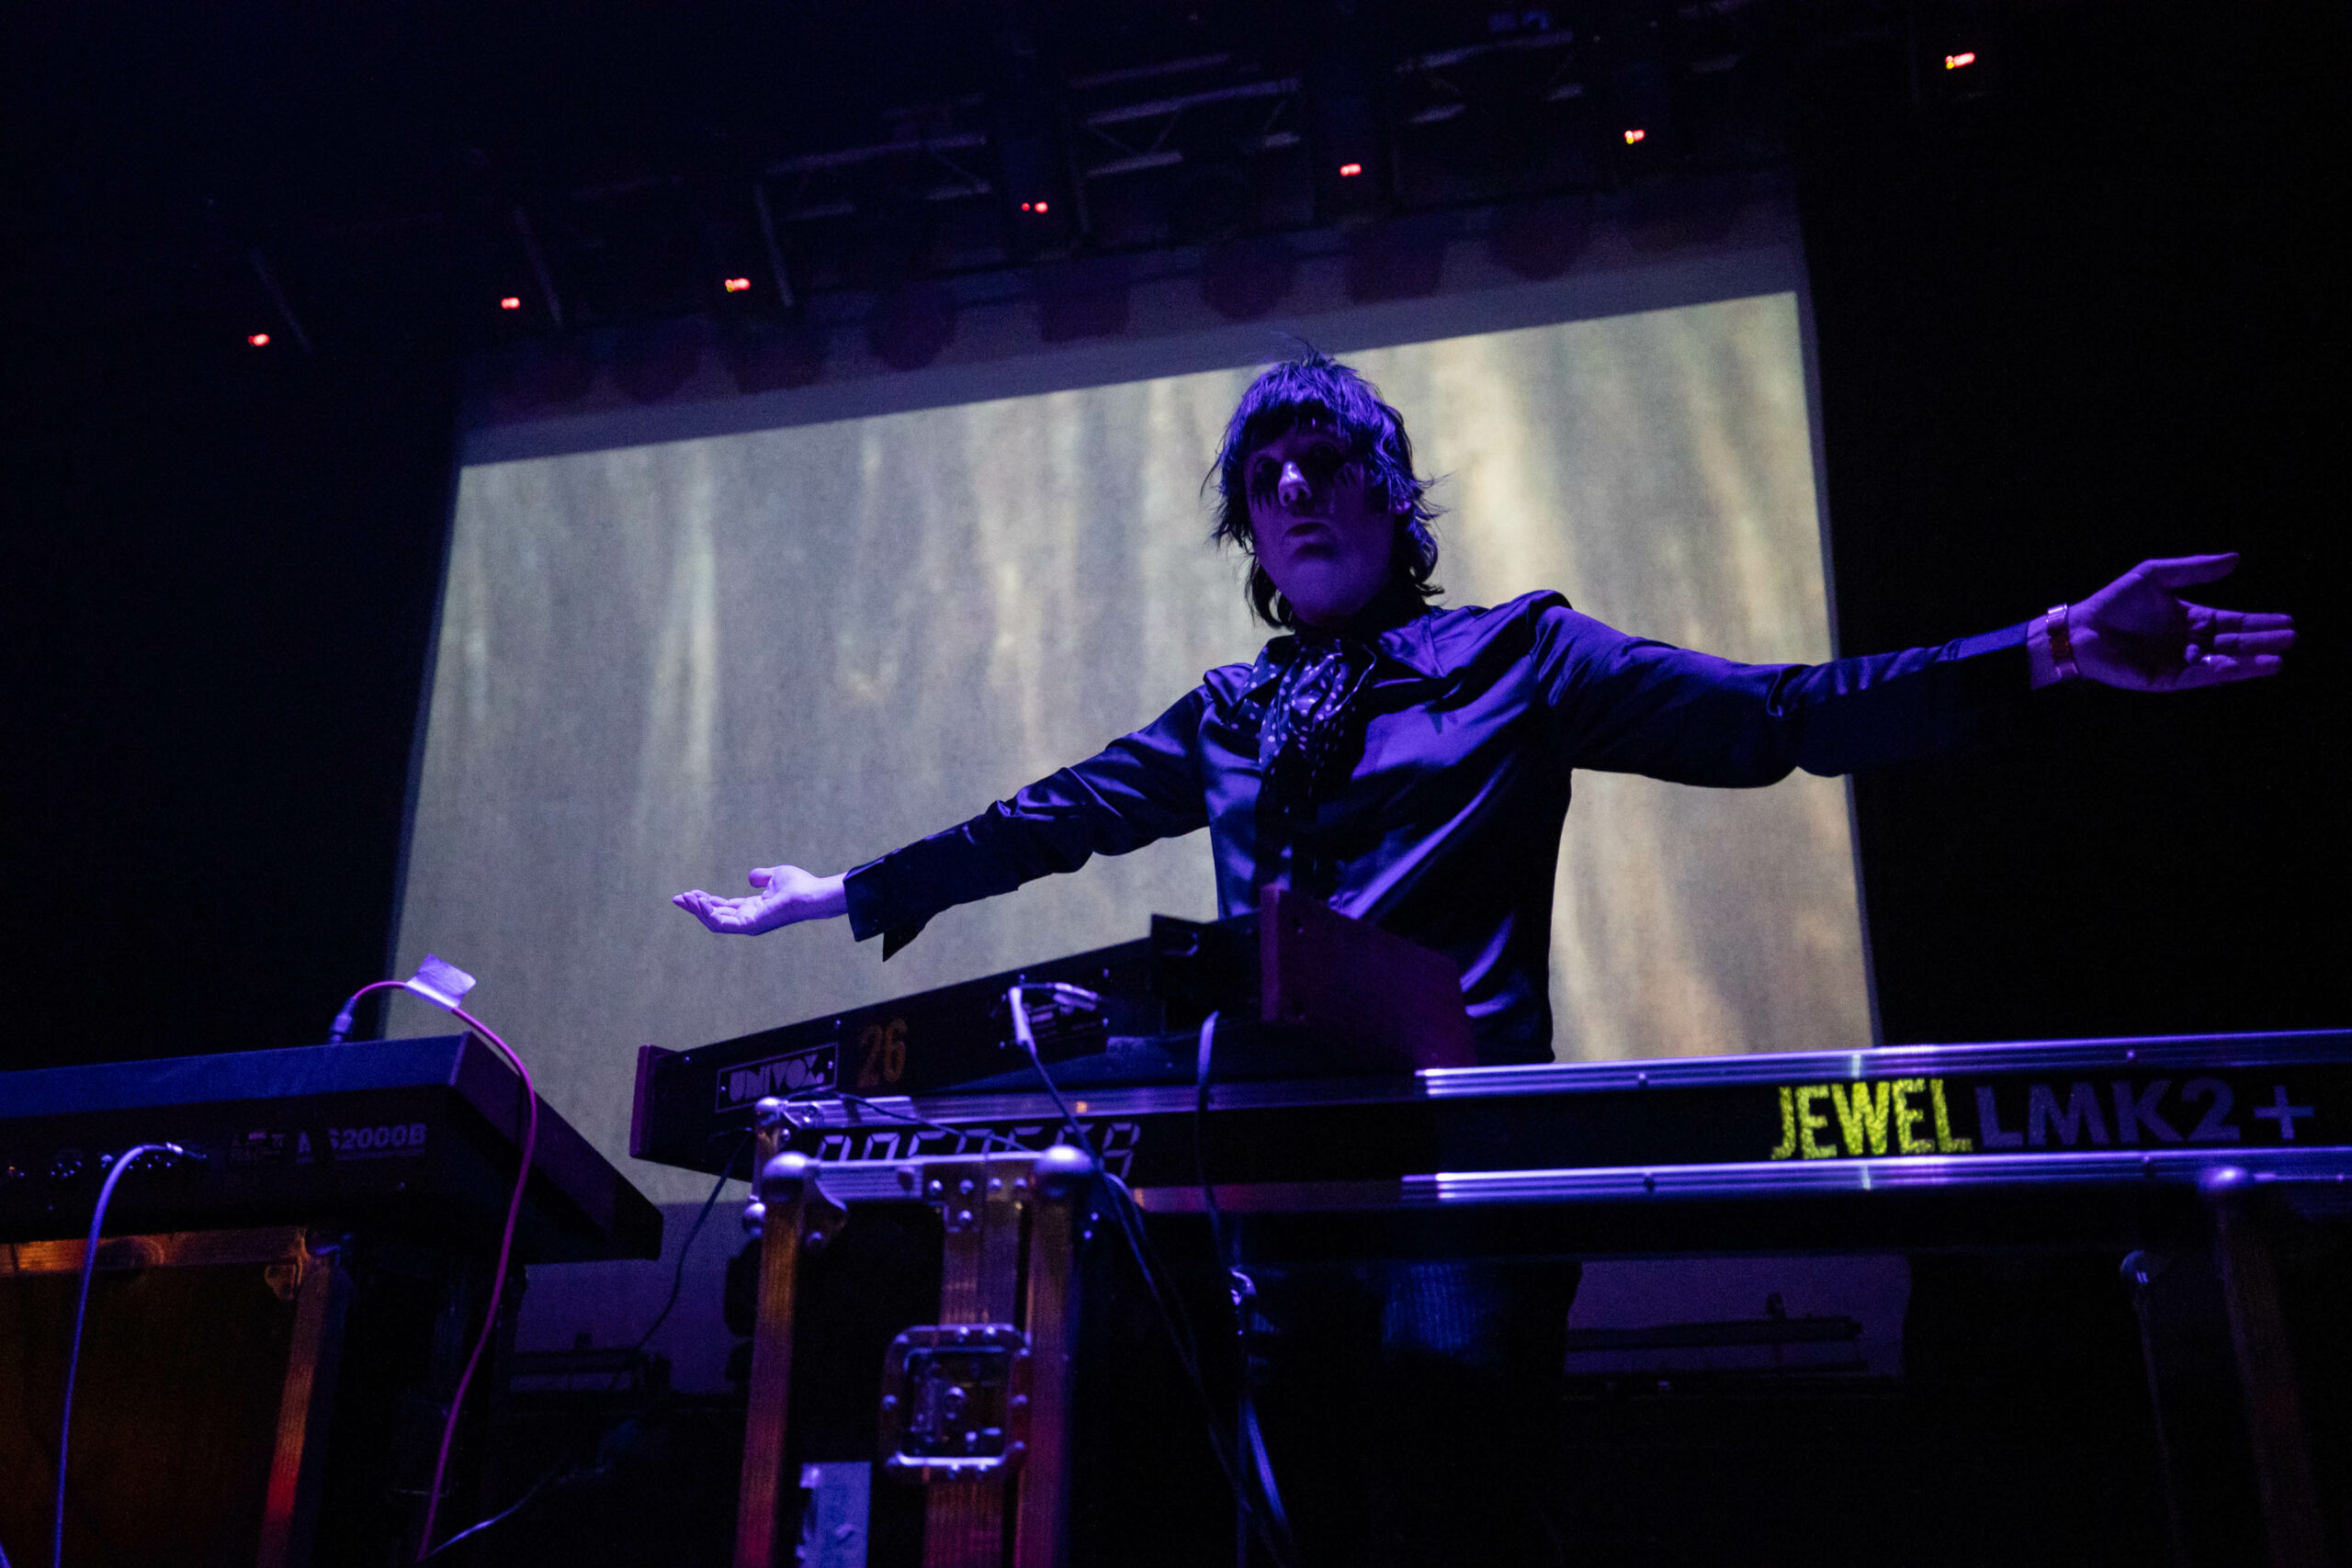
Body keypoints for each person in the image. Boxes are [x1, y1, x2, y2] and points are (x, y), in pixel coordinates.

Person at [673, 349, 2293, 1564]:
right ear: (1247, 526)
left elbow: (1781, 714)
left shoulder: (1521, 657)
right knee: (1280, 1532)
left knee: (1457, 1523)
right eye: (1267, 478)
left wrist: (2053, 647)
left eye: (1326, 462)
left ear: (1391, 495)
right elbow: (1054, 817)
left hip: (1461, 1184)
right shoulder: (1232, 712)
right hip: (1272, 1199)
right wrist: (838, 893)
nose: (1295, 490)